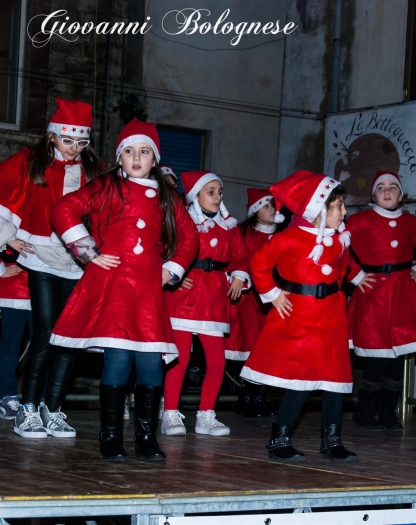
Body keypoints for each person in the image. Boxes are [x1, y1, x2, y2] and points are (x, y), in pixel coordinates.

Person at [48, 119, 199, 461]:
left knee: (149, 362)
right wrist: (88, 252)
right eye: (128, 151)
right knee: (117, 360)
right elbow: (63, 209)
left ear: (154, 159)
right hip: (114, 288)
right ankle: (111, 438)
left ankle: (146, 439)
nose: (136, 158)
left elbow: (190, 237)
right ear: (119, 157)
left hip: (147, 292)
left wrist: (170, 270)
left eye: (144, 152)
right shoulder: (106, 187)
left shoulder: (166, 196)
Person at [0, 98, 103, 439]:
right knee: (45, 330)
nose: (74, 148)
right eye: (68, 140)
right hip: (41, 254)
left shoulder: (95, 170)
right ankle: (27, 408)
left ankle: (53, 408)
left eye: (81, 142)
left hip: (77, 261)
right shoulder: (29, 162)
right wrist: (6, 237)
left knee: (69, 336)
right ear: (52, 137)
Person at [240, 170, 357, 463]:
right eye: (338, 206)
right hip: (301, 315)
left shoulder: (340, 240)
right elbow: (258, 263)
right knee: (300, 379)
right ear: (319, 210)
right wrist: (273, 294)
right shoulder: (289, 238)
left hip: (331, 315)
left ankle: (332, 439)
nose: (344, 212)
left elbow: (342, 269)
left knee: (334, 379)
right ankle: (280, 436)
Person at [345, 171, 416, 432]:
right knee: (377, 356)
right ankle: (364, 412)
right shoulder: (360, 220)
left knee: (397, 358)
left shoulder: (411, 223)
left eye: (393, 188)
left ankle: (388, 412)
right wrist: (356, 275)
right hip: (373, 295)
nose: (387, 192)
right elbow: (337, 246)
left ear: (401, 194)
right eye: (381, 188)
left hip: (401, 295)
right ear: (373, 194)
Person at [161, 170, 249, 436]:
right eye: (210, 192)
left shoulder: (229, 228)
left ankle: (206, 415)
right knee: (180, 359)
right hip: (183, 298)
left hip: (213, 300)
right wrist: (175, 273)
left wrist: (238, 276)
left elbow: (241, 257)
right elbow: (163, 248)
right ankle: (170, 413)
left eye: (219, 192)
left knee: (217, 362)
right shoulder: (181, 222)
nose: (217, 196)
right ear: (194, 195)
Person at [226, 188, 280, 418]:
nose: (271, 209)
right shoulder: (242, 234)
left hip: (275, 301)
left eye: (273, 205)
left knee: (268, 350)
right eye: (265, 205)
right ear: (255, 210)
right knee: (249, 347)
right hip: (249, 301)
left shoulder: (283, 236)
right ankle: (246, 397)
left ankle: (259, 398)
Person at [0, 251, 32, 420]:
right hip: (12, 289)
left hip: (44, 288)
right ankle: (6, 396)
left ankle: (40, 399)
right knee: (10, 348)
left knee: (44, 350)